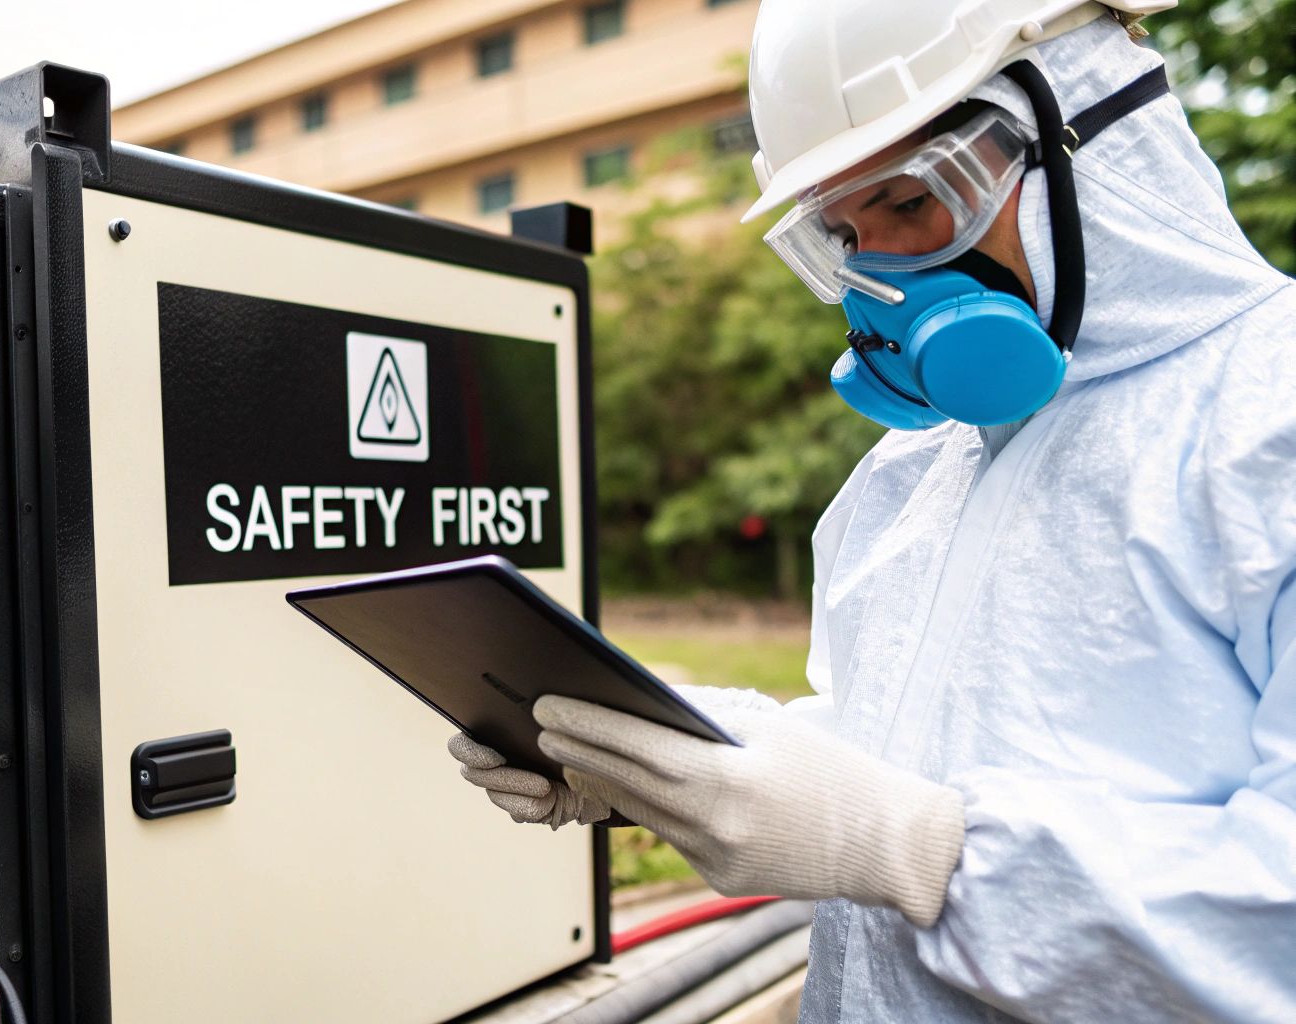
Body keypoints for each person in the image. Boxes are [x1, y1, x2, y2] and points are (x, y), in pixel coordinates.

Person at [449, 2, 1296, 1020]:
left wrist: (914, 851)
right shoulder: (908, 475)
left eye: (908, 202)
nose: (882, 277)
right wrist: (691, 757)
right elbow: (893, 751)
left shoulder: (1267, 412)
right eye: (844, 234)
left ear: (1089, 132)